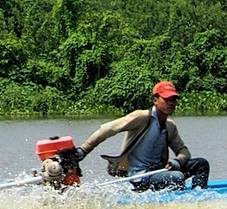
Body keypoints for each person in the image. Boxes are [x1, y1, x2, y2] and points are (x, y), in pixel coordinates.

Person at [81, 81, 209, 190]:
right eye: (167, 99)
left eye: (174, 99)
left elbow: (183, 151)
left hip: (160, 170)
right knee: (177, 177)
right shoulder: (142, 118)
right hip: (140, 176)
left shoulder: (169, 126)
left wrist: (177, 161)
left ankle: (198, 197)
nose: (172, 103)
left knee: (201, 164)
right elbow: (108, 128)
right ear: (155, 100)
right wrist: (84, 149)